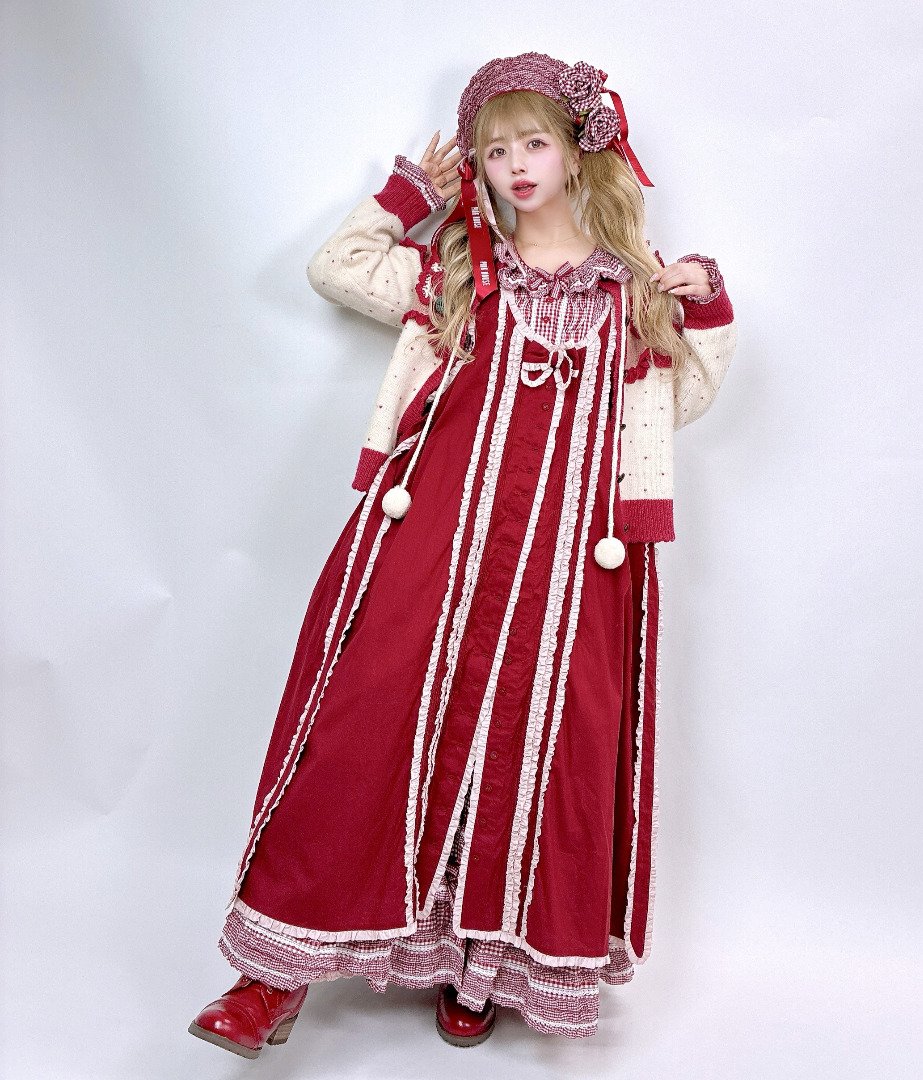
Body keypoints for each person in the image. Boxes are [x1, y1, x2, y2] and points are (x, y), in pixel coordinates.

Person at [188, 51, 737, 1058]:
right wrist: (409, 198)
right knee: (360, 729)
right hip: (432, 545)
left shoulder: (632, 293)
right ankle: (271, 979)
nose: (514, 165)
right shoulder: (460, 272)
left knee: (535, 751)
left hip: (570, 570)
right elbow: (337, 268)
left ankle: (477, 966)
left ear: (578, 150)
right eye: (493, 151)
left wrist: (700, 302)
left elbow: (683, 399)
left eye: (533, 143)